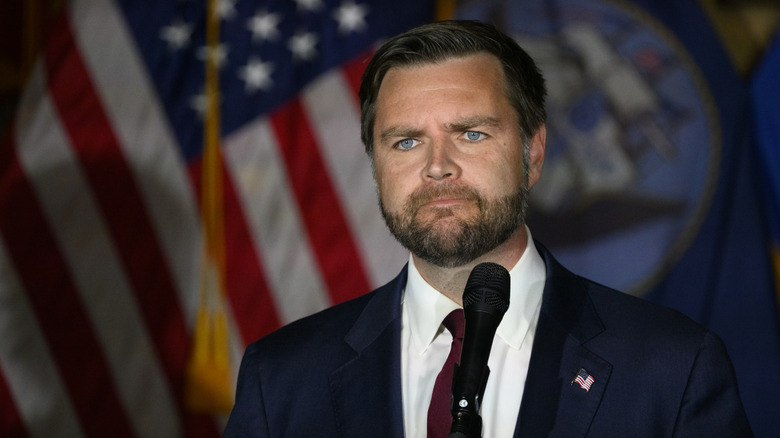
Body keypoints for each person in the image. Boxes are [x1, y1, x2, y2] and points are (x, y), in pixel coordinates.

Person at [224, 20, 751, 437]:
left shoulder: (673, 368)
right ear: (375, 165)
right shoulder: (283, 381)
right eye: (406, 142)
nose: (437, 166)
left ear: (534, 152)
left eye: (471, 134)